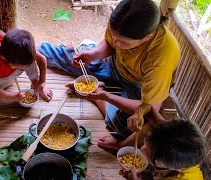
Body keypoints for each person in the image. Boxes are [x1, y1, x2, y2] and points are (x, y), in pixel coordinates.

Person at [38, 0, 180, 149]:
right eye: (114, 36)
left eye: (124, 42)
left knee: (128, 126)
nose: (117, 43)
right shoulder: (119, 22)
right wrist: (92, 55)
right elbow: (110, 45)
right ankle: (33, 47)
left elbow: (151, 109)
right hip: (113, 63)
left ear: (147, 38)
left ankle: (98, 96)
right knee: (70, 56)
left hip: (138, 85)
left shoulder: (163, 55)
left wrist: (105, 96)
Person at [0, 23, 53, 138]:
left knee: (31, 61)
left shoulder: (15, 48)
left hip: (11, 74)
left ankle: (36, 84)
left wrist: (42, 82)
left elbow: (42, 59)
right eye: (18, 64)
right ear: (4, 59)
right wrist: (15, 97)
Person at [119, 118, 209, 180]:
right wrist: (137, 115)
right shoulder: (184, 158)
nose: (142, 149)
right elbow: (150, 109)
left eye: (149, 153)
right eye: (146, 140)